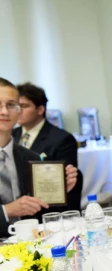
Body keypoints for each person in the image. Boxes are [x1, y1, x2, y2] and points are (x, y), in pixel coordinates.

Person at [0, 78, 78, 236]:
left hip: (28, 246)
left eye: (10, 105)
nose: (4, 111)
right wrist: (6, 211)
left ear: (18, 110)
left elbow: (41, 212)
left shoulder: (29, 157)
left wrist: (59, 191)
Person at [11, 82, 83, 212]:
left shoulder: (61, 139)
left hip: (47, 209)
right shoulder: (11, 135)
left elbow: (62, 184)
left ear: (40, 109)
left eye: (24, 106)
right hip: (16, 206)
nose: (19, 111)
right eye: (16, 106)